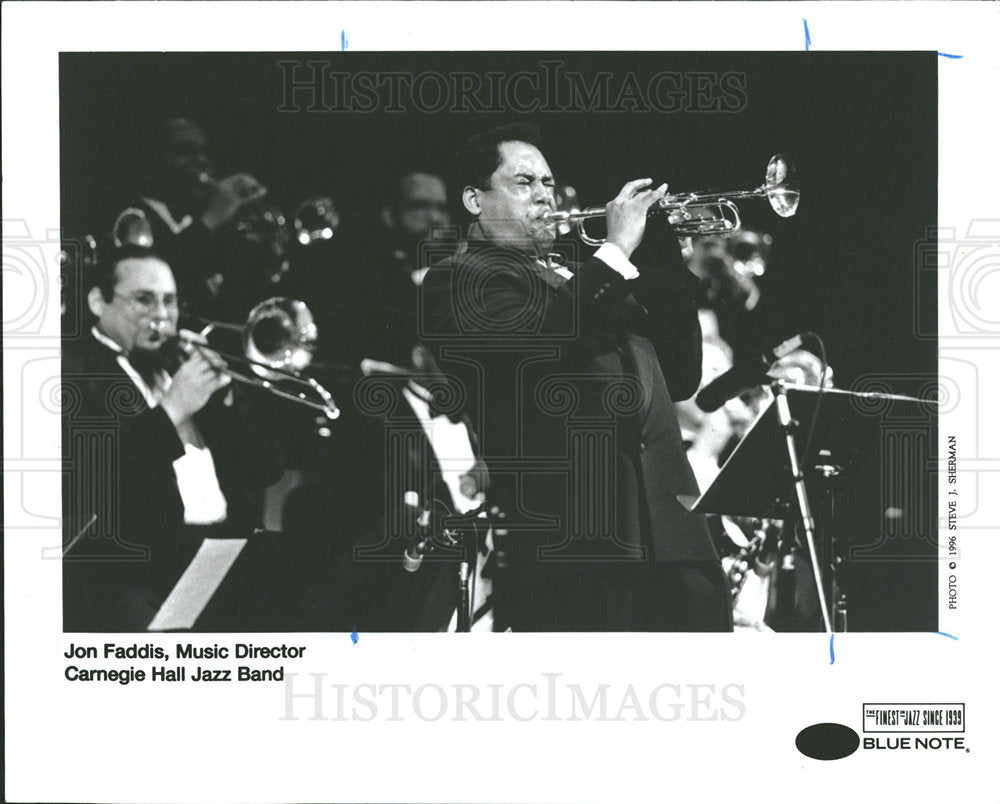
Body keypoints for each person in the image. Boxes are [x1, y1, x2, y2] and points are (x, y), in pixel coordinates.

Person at [421, 123, 731, 631]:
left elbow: (678, 379)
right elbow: (535, 344)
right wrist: (614, 253)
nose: (544, 195)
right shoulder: (459, 279)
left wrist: (669, 266)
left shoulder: (585, 277)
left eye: (548, 182)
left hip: (676, 536)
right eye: (524, 183)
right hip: (577, 545)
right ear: (475, 199)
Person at [62, 245, 283, 631]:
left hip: (216, 564)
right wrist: (173, 408)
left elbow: (265, 469)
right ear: (98, 301)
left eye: (170, 301)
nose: (162, 316)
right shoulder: (74, 372)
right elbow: (95, 482)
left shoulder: (174, 365)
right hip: (135, 584)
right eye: (144, 300)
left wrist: (226, 399)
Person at [112, 117, 282, 320]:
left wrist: (269, 241)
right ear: (153, 159)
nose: (201, 160)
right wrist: (210, 219)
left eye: (202, 151)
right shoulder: (129, 218)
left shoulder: (210, 220)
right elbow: (154, 283)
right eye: (184, 152)